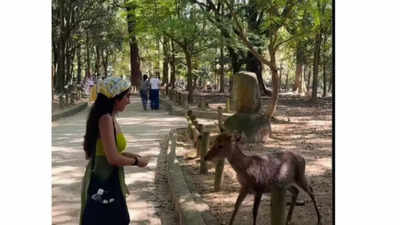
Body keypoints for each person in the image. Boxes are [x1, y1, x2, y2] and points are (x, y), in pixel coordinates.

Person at [80, 76, 148, 225]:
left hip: (110, 178)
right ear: (115, 98)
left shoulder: (110, 116)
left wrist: (129, 155)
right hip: (103, 180)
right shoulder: (105, 119)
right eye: (127, 96)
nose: (129, 101)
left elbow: (108, 151)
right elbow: (112, 158)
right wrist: (136, 161)